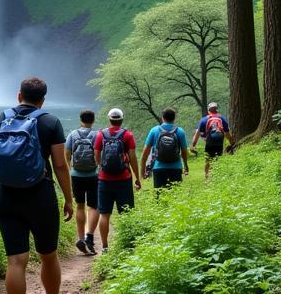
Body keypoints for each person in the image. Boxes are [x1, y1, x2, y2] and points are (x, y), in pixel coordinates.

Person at [0, 77, 75, 294]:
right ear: (42, 99)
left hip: (6, 196)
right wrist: (68, 198)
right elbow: (59, 165)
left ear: (18, 95)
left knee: (15, 261)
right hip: (40, 196)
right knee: (48, 255)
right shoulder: (50, 122)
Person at [93, 108, 142, 253]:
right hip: (123, 179)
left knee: (104, 214)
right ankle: (127, 246)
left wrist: (101, 166)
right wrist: (137, 177)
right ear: (121, 119)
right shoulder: (127, 135)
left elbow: (96, 153)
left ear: (110, 119)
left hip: (104, 179)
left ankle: (105, 247)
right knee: (126, 213)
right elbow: (132, 157)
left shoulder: (101, 134)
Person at [65, 109, 100, 255]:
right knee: (94, 207)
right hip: (93, 175)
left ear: (80, 120)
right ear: (93, 120)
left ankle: (80, 238)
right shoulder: (97, 135)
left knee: (80, 206)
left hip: (76, 175)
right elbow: (100, 155)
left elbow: (66, 156)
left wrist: (70, 170)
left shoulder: (72, 135)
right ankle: (89, 236)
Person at [142, 107, 190, 190]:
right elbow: (184, 152)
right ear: (174, 118)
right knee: (175, 197)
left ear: (162, 118)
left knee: (159, 198)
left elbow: (145, 152)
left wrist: (143, 169)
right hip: (176, 168)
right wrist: (185, 165)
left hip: (159, 168)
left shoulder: (154, 130)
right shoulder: (180, 131)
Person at [189, 102, 234, 178]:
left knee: (208, 160)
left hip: (209, 143)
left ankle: (207, 178)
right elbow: (227, 133)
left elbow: (197, 133)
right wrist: (232, 143)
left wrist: (193, 145)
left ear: (208, 110)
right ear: (217, 110)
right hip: (219, 143)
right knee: (218, 159)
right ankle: (216, 177)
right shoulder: (222, 119)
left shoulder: (204, 120)